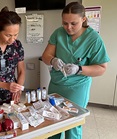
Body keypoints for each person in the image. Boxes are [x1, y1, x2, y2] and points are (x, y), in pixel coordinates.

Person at [42, 2, 110, 139]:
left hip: (77, 88)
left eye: (73, 23)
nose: (68, 27)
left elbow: (101, 68)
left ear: (83, 19)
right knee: (52, 121)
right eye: (65, 23)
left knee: (72, 125)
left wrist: (79, 69)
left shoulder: (93, 39)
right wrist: (53, 60)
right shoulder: (58, 33)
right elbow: (45, 56)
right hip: (56, 84)